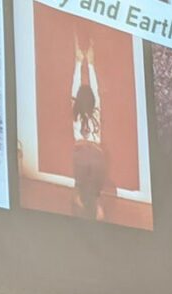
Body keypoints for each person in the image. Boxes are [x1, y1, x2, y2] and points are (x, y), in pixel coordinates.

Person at [71, 37, 107, 221]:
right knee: (92, 165)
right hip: (89, 149)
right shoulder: (87, 110)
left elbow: (77, 87)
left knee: (90, 164)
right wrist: (88, 64)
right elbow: (94, 89)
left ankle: (85, 198)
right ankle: (92, 201)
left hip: (86, 149)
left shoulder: (82, 111)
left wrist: (82, 62)